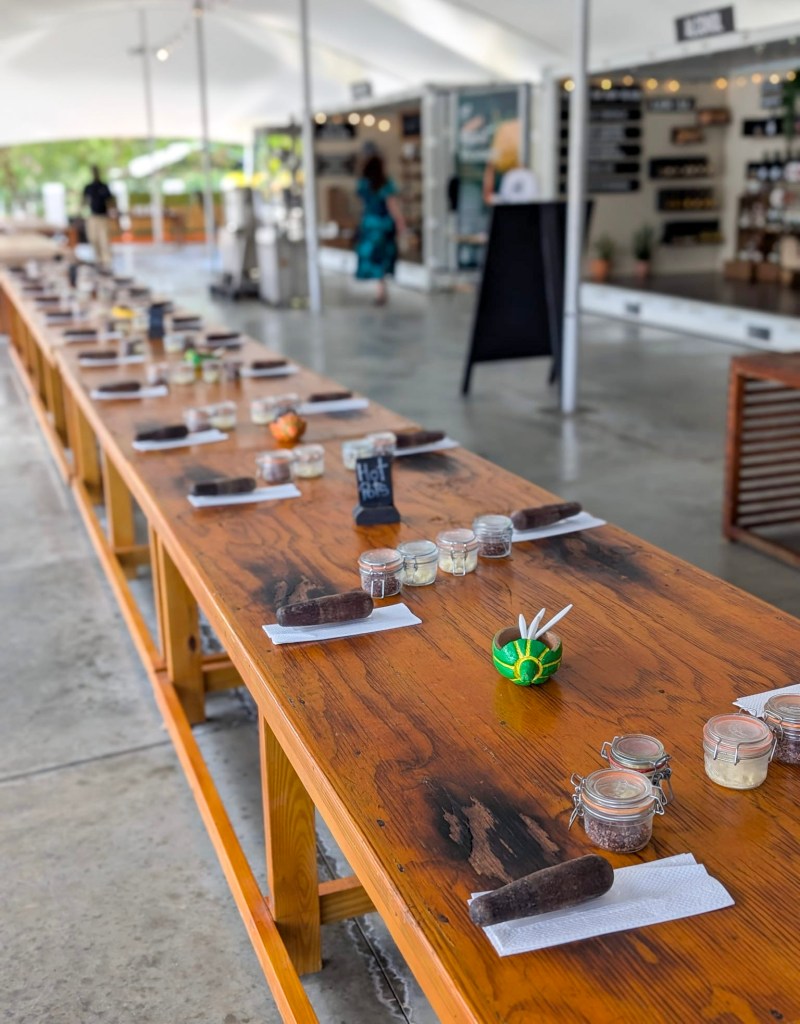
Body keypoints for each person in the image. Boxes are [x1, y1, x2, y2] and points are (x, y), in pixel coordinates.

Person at [354, 152, 405, 305]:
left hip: (369, 224)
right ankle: (381, 288)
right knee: (382, 257)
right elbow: (392, 206)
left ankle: (380, 289)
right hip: (383, 225)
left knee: (374, 256)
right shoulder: (385, 184)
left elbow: (362, 205)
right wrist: (401, 223)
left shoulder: (363, 184)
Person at [82, 166, 115, 269]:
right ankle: (98, 259)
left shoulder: (104, 187)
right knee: (93, 238)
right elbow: (84, 201)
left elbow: (110, 201)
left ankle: (106, 261)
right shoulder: (88, 187)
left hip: (103, 217)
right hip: (93, 217)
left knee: (104, 239)